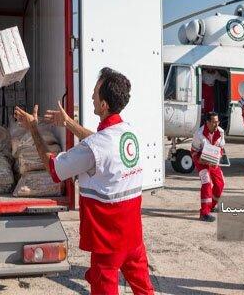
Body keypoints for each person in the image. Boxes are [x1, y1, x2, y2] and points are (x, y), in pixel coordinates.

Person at [14, 68, 154, 295]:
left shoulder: (94, 147)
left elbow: (54, 167)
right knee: (144, 290)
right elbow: (101, 145)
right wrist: (68, 123)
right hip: (133, 237)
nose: (91, 97)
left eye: (95, 93)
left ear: (104, 105)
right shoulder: (129, 133)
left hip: (108, 242)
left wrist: (33, 128)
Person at [191, 112, 226, 222]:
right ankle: (204, 213)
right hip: (201, 162)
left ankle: (211, 205)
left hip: (213, 161)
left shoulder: (220, 132)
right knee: (206, 183)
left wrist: (218, 156)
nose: (217, 124)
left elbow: (221, 148)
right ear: (207, 122)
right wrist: (200, 159)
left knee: (220, 184)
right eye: (214, 122)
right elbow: (193, 151)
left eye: (217, 122)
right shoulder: (199, 134)